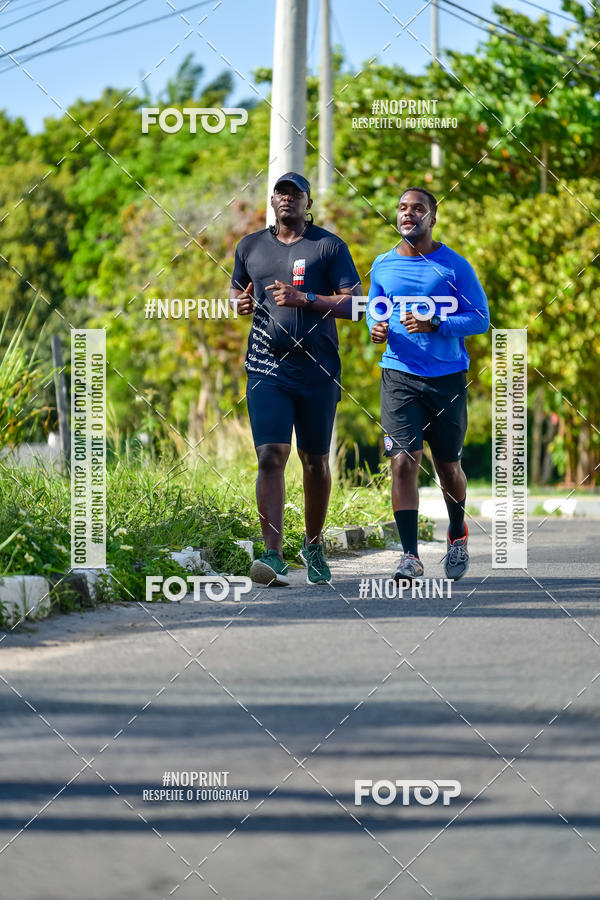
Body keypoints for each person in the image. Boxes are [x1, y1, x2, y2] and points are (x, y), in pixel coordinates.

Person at [230, 172, 362, 586]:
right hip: (266, 365)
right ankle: (272, 554)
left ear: (308, 203)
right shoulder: (249, 246)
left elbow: (357, 305)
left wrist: (306, 299)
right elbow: (237, 292)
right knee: (270, 455)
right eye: (280, 193)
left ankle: (314, 544)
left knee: (315, 461)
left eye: (295, 194)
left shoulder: (328, 245)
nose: (287, 200)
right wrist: (241, 303)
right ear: (272, 201)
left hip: (317, 370)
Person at [367, 187, 490, 582]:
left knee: (448, 467)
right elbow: (374, 308)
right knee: (403, 463)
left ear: (431, 218)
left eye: (417, 208)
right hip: (399, 374)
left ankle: (456, 532)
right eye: (402, 207)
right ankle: (410, 556)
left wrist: (436, 323)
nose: (408, 214)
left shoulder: (455, 267)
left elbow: (480, 319)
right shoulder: (383, 265)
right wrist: (377, 328)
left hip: (446, 378)